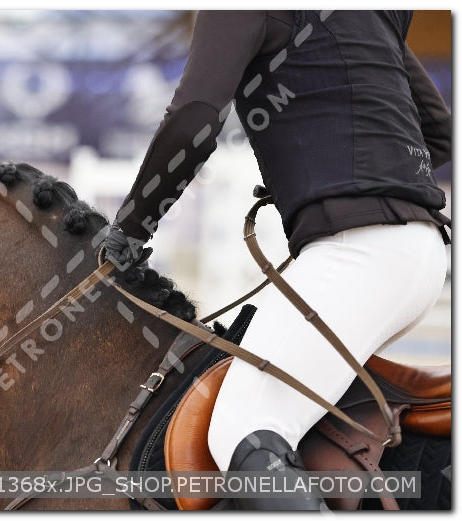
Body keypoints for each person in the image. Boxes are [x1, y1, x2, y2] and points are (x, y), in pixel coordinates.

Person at [104, 11, 450, 510]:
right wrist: (321, 170)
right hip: (418, 251)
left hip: (360, 253)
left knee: (244, 433)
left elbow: (195, 116)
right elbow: (436, 131)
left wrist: (133, 227)